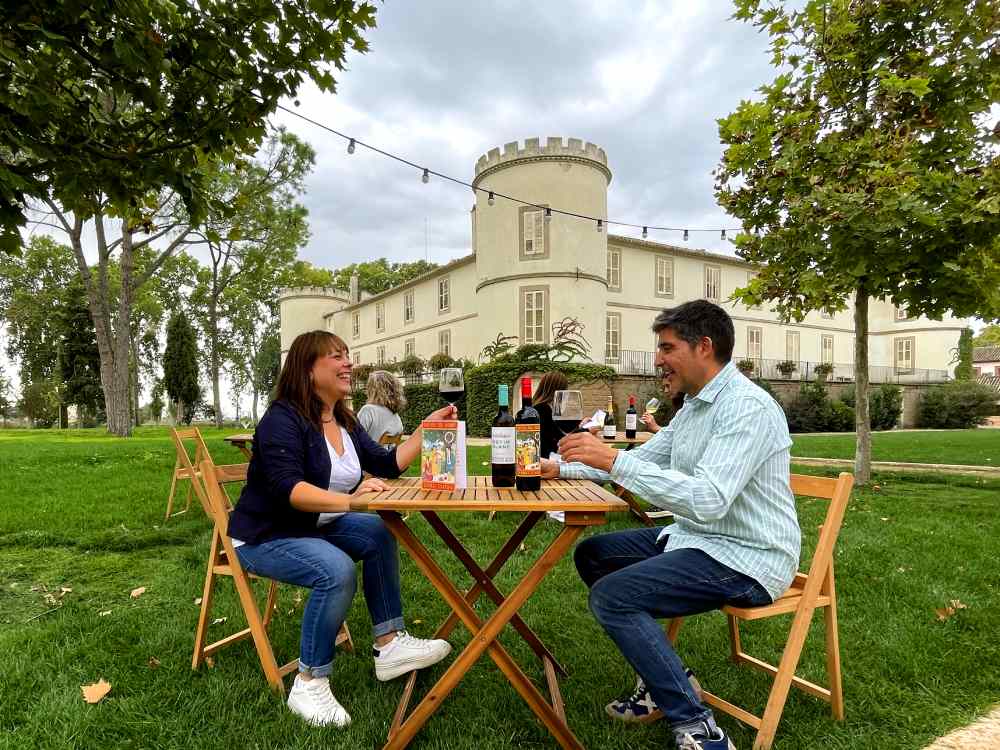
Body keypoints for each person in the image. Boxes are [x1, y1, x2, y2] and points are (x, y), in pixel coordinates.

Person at [541, 300, 800, 750]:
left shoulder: (747, 409)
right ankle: (669, 680)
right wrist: (561, 469)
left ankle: (699, 727)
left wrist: (616, 461)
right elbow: (639, 463)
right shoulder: (696, 408)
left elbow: (709, 500)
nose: (658, 359)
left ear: (704, 346)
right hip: (698, 540)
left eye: (666, 347)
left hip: (750, 556)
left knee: (614, 597)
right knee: (593, 555)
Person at [228, 330, 455, 728]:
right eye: (336, 356)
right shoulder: (282, 418)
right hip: (267, 535)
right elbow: (289, 490)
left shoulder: (344, 419)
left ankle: (390, 645)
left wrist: (425, 431)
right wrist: (352, 500)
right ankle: (309, 681)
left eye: (348, 354)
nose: (347, 363)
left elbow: (386, 463)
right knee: (335, 571)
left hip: (312, 526)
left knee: (378, 532)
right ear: (308, 368)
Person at [357, 370, 405, 444]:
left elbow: (354, 439)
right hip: (387, 455)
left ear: (373, 389)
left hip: (366, 455)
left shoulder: (368, 410)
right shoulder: (396, 416)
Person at [532, 371, 569, 459]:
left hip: (547, 460)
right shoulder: (543, 410)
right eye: (565, 389)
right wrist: (586, 430)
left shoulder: (544, 408)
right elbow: (560, 437)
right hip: (544, 463)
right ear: (559, 390)